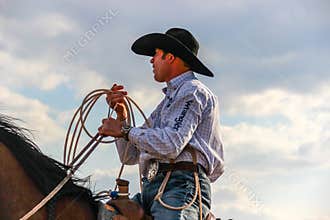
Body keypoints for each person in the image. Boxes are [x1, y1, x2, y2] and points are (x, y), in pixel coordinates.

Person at [98, 27, 224, 220]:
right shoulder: (166, 103)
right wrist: (122, 117)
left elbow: (171, 145)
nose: (151, 60)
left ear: (170, 57)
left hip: (181, 186)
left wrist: (123, 130)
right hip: (154, 187)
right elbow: (129, 156)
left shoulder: (193, 92)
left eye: (156, 54)